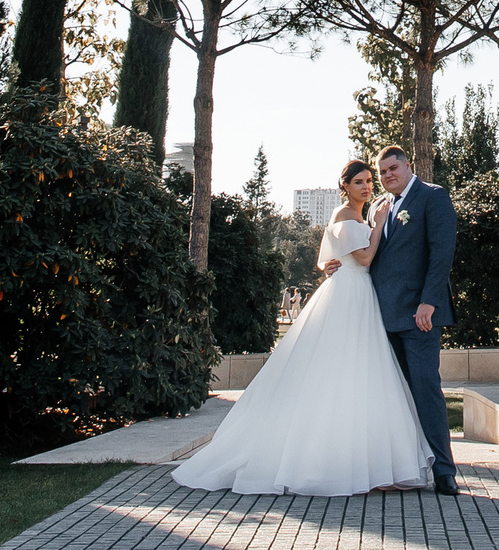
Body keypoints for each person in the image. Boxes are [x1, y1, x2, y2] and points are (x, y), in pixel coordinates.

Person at [173, 159, 435, 496]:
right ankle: (335, 463)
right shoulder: (345, 214)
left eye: (370, 180)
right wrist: (379, 223)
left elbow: (330, 257)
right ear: (345, 187)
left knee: (362, 375)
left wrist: (346, 249)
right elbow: (367, 258)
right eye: (359, 182)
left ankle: (370, 463)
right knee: (338, 371)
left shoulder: (361, 215)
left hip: (359, 295)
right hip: (349, 295)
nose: (368, 186)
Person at [355, 145, 460, 496]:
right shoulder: (382, 208)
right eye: (382, 172)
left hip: (420, 317)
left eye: (392, 169)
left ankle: (444, 470)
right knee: (395, 396)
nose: (387, 176)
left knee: (426, 389)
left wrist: (428, 302)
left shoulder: (432, 196)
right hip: (384, 317)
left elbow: (442, 252)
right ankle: (406, 467)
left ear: (407, 165)